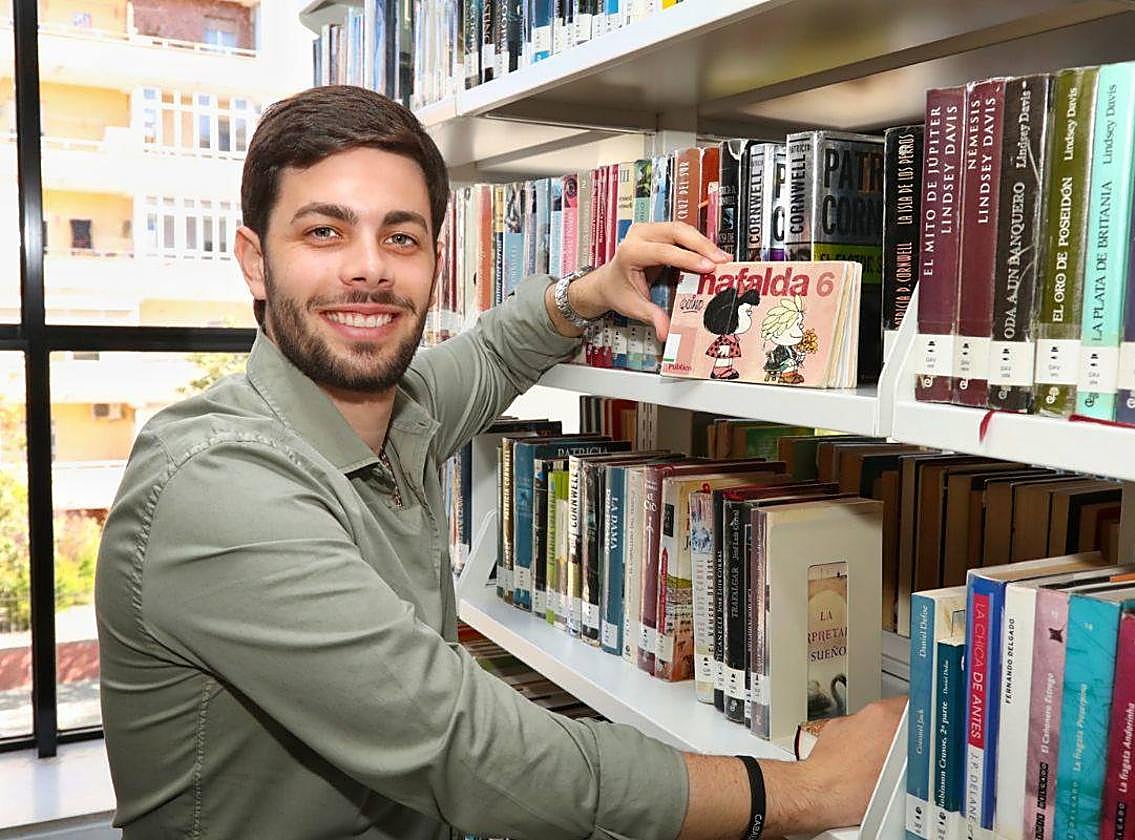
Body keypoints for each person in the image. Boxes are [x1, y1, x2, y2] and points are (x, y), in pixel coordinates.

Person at [95, 85, 903, 840]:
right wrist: (801, 792)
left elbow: (487, 357)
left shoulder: (392, 415)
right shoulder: (218, 484)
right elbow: (471, 748)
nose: (369, 268)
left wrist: (591, 291)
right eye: (324, 231)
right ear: (251, 259)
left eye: (401, 236)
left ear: (432, 259)